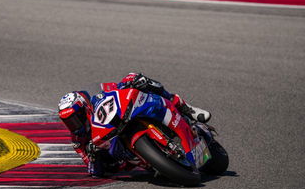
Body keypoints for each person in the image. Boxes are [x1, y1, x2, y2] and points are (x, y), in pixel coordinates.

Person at [58, 73, 211, 177]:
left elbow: (116, 89)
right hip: (125, 157)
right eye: (68, 122)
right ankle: (157, 161)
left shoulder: (97, 98)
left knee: (134, 77)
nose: (74, 124)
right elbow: (93, 171)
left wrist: (129, 83)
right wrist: (93, 157)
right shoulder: (78, 141)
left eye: (75, 118)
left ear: (85, 108)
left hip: (126, 116)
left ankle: (185, 107)